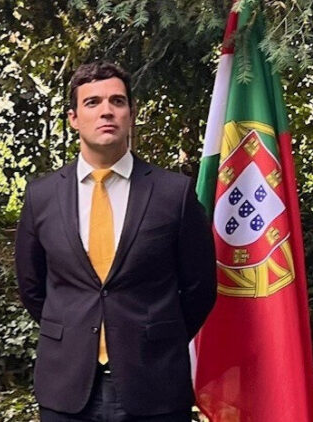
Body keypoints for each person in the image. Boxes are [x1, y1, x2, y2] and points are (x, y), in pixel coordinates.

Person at [15, 61, 217, 422]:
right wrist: (74, 331)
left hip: (155, 385)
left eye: (117, 101)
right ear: (73, 118)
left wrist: (156, 336)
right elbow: (32, 287)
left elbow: (200, 288)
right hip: (67, 387)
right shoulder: (41, 196)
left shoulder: (174, 194)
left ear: (131, 114)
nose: (106, 111)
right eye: (92, 102)